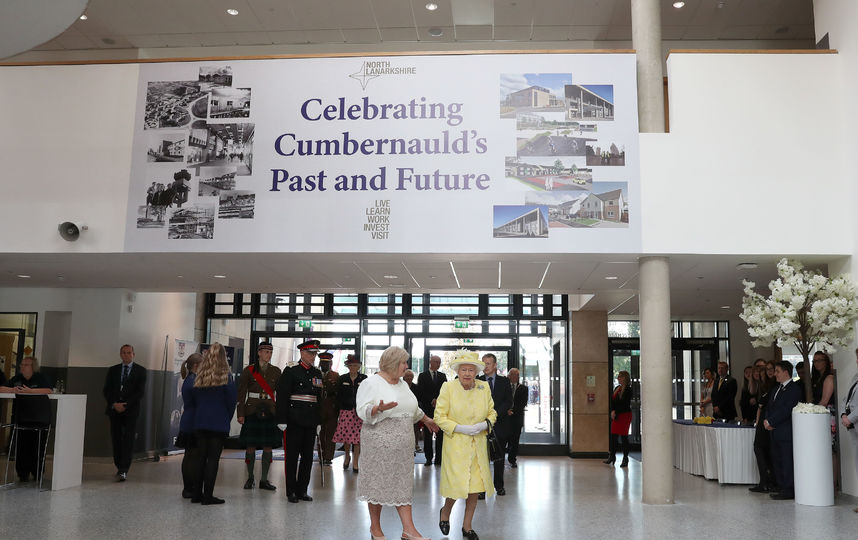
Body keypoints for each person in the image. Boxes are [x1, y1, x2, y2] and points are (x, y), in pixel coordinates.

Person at [355, 346, 439, 540]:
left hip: (403, 447)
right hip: (379, 443)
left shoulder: (402, 384)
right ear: (393, 363)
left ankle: (408, 529)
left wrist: (426, 420)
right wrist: (377, 408)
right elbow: (362, 410)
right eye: (404, 362)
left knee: (402, 485)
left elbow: (413, 408)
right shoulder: (371, 383)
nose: (407, 366)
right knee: (377, 485)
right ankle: (375, 528)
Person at [435, 350, 497, 540]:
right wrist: (459, 428)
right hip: (456, 445)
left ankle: (467, 527)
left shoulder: (483, 387)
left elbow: (492, 413)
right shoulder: (448, 388)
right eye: (464, 370)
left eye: (471, 370)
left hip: (477, 445)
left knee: (474, 488)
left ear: (477, 371)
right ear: (458, 371)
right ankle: (445, 512)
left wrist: (484, 424)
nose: (468, 373)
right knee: (457, 486)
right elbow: (439, 417)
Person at [276, 338, 323, 503]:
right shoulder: (291, 371)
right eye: (310, 353)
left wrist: (319, 422)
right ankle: (291, 491)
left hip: (310, 421)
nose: (313, 356)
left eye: (315, 354)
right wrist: (281, 419)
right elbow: (282, 396)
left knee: (308, 457)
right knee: (292, 457)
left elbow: (319, 399)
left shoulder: (317, 373)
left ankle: (302, 489)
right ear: (302, 353)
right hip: (293, 420)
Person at [189, 343, 237, 505]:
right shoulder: (226, 377)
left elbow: (195, 399)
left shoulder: (200, 375)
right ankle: (208, 496)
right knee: (213, 460)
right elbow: (231, 402)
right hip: (218, 423)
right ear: (224, 357)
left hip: (200, 421)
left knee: (200, 458)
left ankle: (196, 495)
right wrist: (226, 418)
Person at [236, 341, 282, 491]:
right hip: (252, 411)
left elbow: (280, 394)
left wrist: (281, 415)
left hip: (269, 410)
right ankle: (250, 478)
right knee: (250, 446)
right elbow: (241, 394)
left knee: (268, 446)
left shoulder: (276, 371)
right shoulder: (248, 370)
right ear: (259, 353)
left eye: (270, 352)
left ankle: (264, 479)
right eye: (266, 352)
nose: (268, 355)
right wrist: (240, 413)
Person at [103, 344, 147, 481]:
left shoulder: (141, 371)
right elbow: (107, 390)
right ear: (120, 354)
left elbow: (139, 392)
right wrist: (114, 404)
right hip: (114, 409)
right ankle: (118, 465)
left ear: (133, 354)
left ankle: (124, 469)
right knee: (116, 439)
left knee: (128, 439)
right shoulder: (113, 370)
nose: (126, 355)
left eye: (129, 352)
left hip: (130, 410)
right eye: (123, 352)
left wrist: (125, 406)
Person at [4, 356, 52, 483]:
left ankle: (37, 473)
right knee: (22, 447)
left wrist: (31, 391)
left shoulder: (40, 377)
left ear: (33, 367)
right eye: (21, 365)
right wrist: (11, 390)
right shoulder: (17, 379)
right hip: (22, 418)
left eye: (26, 365)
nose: (22, 367)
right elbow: (2, 387)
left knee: (38, 448)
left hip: (40, 419)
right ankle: (22, 474)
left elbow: (49, 390)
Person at [764, 360, 802, 500]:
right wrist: (767, 420)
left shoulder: (794, 389)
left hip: (785, 430)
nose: (775, 374)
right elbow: (770, 407)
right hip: (774, 430)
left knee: (786, 460)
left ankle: (789, 489)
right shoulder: (776, 389)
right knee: (777, 459)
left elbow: (787, 409)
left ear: (786, 372)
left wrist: (771, 421)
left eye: (777, 371)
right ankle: (781, 487)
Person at [477, 353, 511, 497]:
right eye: (483, 363)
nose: (485, 366)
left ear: (495, 365)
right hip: (481, 425)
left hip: (499, 425)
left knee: (499, 457)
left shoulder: (504, 382)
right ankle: (481, 489)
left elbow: (508, 402)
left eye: (488, 363)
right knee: (482, 458)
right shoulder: (477, 381)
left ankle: (499, 486)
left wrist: (494, 415)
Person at [333, 354, 367, 473]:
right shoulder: (342, 378)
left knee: (357, 439)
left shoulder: (364, 379)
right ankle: (347, 456)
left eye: (355, 366)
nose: (353, 367)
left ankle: (356, 461)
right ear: (347, 366)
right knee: (347, 438)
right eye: (350, 365)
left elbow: (367, 394)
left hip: (359, 412)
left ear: (359, 367)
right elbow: (338, 395)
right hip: (346, 411)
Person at [749, 361, 778, 493]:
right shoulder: (767, 386)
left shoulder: (775, 386)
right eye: (767, 370)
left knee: (760, 449)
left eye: (772, 369)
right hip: (763, 421)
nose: (769, 371)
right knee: (762, 450)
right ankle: (766, 481)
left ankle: (767, 482)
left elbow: (763, 404)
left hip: (768, 421)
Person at [177, 352, 203, 498]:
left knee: (189, 455)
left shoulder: (189, 379)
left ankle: (189, 486)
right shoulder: (193, 381)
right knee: (192, 456)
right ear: (196, 365)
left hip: (188, 419)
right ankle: (189, 487)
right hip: (193, 421)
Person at [416, 354, 447, 466]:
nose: (437, 364)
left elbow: (445, 391)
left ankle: (439, 459)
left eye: (439, 362)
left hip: (440, 410)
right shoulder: (423, 376)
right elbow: (421, 391)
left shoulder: (443, 376)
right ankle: (428, 458)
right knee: (428, 436)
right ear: (430, 362)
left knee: (440, 435)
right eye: (435, 362)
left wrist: (438, 400)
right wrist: (431, 399)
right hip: (428, 410)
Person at [840, 348, 858, 512]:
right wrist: (843, 414)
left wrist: (849, 418)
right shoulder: (855, 377)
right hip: (852, 428)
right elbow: (846, 398)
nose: (857, 360)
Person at [605, 370, 632, 467]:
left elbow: (625, 404)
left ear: (625, 378)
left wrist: (615, 411)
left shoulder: (628, 390)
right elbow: (613, 402)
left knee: (624, 437)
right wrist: (612, 410)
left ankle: (625, 458)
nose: (618, 378)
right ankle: (612, 456)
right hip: (616, 416)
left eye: (620, 377)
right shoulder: (617, 388)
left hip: (624, 415)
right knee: (613, 436)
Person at [318, 351, 340, 465]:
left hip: (331, 409)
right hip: (318, 408)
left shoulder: (335, 375)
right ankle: (321, 455)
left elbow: (338, 393)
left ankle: (328, 457)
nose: (324, 365)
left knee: (331, 433)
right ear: (320, 363)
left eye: (327, 363)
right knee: (320, 433)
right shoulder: (315, 374)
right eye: (322, 363)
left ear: (330, 364)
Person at [506, 367, 527, 468]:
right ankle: (499, 458)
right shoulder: (504, 387)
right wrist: (506, 411)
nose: (514, 377)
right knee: (503, 439)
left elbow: (522, 403)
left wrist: (512, 411)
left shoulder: (523, 388)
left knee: (514, 441)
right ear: (508, 376)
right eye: (511, 375)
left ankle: (512, 459)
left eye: (516, 375)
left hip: (517, 418)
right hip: (504, 418)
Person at [404, 369, 421, 452]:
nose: (409, 378)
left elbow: (419, 400)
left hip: (413, 411)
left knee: (415, 429)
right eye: (407, 376)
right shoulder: (400, 386)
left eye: (411, 376)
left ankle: (416, 444)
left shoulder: (416, 388)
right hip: (403, 412)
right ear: (404, 377)